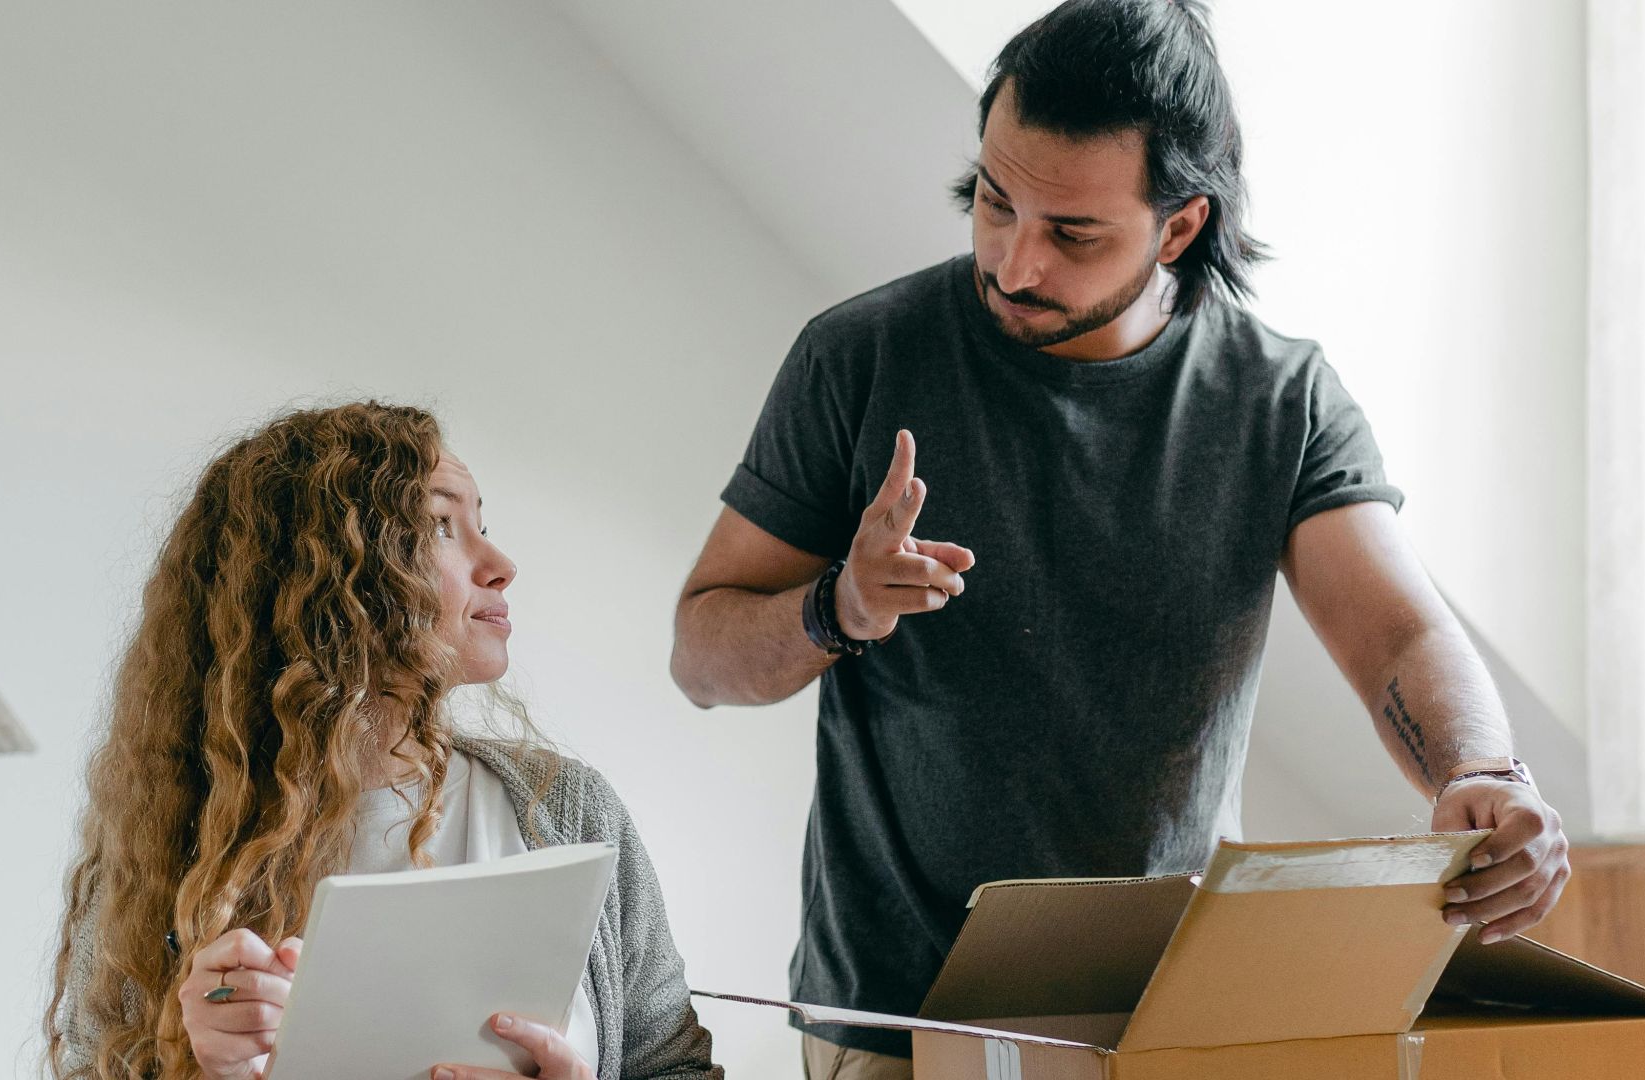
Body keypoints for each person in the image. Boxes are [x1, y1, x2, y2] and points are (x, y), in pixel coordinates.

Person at [669, 2, 1569, 1076]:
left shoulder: (1279, 399)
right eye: (993, 203)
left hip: (1160, 1025)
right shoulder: (858, 358)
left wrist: (1485, 772)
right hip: (899, 1031)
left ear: (1180, 227)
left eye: (1071, 234)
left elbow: (1400, 634)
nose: (1011, 262)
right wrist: (839, 608)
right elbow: (702, 658)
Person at [46, 401, 720, 1080]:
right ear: (318, 576)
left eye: (481, 524)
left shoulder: (565, 810)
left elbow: (678, 1068)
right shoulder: (169, 848)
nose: (500, 564)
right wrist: (202, 1066)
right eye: (439, 525)